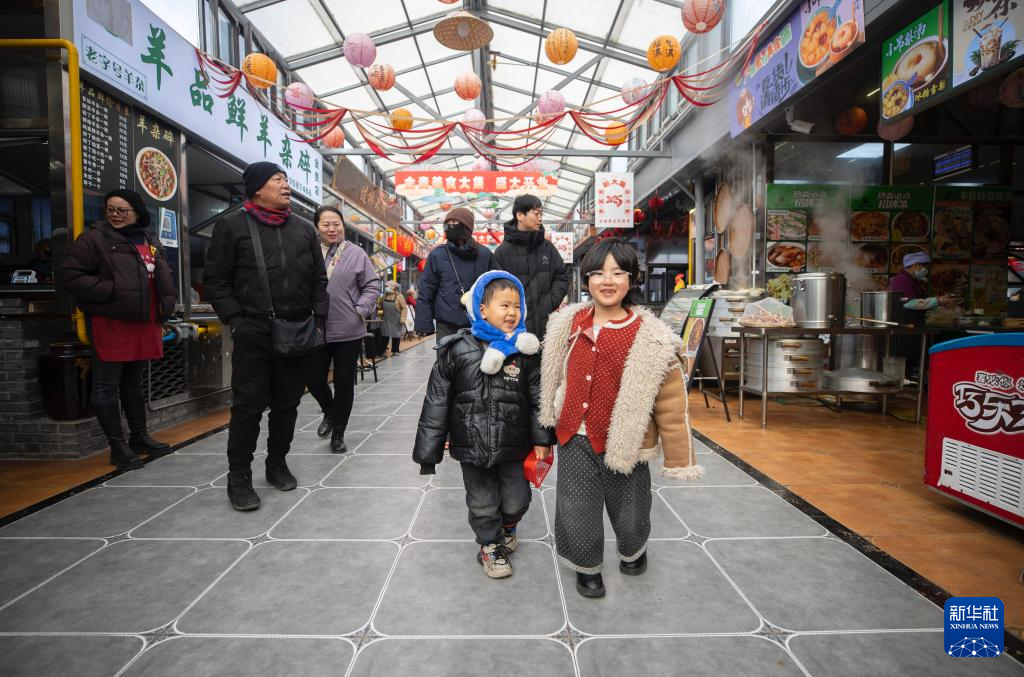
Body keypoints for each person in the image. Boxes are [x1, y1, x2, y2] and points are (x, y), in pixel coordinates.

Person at [537, 238, 703, 599]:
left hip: (626, 438)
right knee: (577, 506)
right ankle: (587, 567)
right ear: (586, 279)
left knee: (631, 507)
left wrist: (679, 457)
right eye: (598, 273)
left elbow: (671, 403)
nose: (607, 281)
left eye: (617, 272)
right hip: (574, 434)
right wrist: (544, 424)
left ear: (632, 278)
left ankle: (633, 549)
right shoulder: (568, 323)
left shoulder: (650, 336)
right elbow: (551, 375)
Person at [204, 161, 328, 511]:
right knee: (248, 406)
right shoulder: (231, 226)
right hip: (254, 331)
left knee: (287, 404)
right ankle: (239, 476)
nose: (286, 185)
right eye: (277, 180)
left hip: (298, 330)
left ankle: (277, 464)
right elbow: (216, 280)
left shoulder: (303, 230)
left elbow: (319, 279)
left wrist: (318, 318)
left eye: (286, 179)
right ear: (257, 189)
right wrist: (237, 321)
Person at [414, 270, 553, 578]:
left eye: (516, 306)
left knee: (518, 499)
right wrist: (429, 450)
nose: (512, 312)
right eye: (504, 305)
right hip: (471, 444)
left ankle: (509, 525)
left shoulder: (526, 352)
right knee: (482, 501)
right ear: (482, 309)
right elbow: (437, 401)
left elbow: (538, 399)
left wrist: (542, 439)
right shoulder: (456, 350)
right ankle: (489, 545)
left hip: (515, 443)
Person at [59, 189, 176, 471]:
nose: (115, 215)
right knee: (107, 385)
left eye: (122, 210)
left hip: (144, 321)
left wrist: (165, 307)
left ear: (137, 212)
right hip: (111, 322)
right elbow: (69, 274)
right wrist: (111, 291)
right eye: (110, 209)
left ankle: (139, 437)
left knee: (133, 383)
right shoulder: (94, 238)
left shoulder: (149, 238)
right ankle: (118, 446)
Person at [306, 205, 379, 453]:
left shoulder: (356, 253)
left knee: (344, 382)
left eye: (336, 224)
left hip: (348, 329)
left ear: (343, 227)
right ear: (317, 227)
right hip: (315, 328)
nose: (332, 229)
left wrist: (360, 310)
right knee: (313, 379)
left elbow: (372, 285)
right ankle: (330, 411)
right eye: (326, 224)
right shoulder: (309, 251)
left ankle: (338, 432)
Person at [493, 194, 570, 340]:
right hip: (514, 329)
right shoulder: (503, 252)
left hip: (547, 326)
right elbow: (495, 289)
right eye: (536, 213)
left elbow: (561, 276)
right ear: (520, 215)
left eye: (541, 214)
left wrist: (550, 302)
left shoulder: (548, 248)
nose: (540, 218)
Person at [414, 207, 492, 343]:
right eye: (448, 223)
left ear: (467, 227)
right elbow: (426, 290)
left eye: (455, 223)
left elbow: (495, 289)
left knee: (477, 357)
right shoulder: (438, 255)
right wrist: (424, 323)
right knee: (446, 357)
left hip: (479, 325)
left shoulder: (485, 255)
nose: (450, 226)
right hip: (446, 326)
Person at [888, 251, 958, 325]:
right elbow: (907, 302)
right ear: (917, 265)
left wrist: (939, 301)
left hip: (913, 322)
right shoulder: (901, 280)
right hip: (905, 324)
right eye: (926, 267)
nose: (927, 270)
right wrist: (938, 301)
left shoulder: (912, 280)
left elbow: (917, 300)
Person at [377, 280, 407, 356]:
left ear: (393, 287)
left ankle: (395, 350)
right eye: (386, 286)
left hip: (396, 319)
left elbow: (404, 308)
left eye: (388, 286)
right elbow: (380, 306)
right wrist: (378, 305)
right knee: (384, 335)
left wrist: (402, 318)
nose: (386, 288)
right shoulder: (384, 296)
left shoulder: (399, 296)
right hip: (386, 318)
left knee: (396, 335)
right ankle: (381, 351)